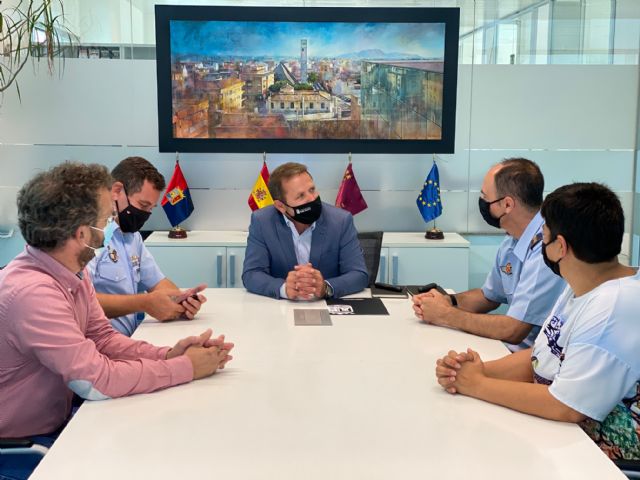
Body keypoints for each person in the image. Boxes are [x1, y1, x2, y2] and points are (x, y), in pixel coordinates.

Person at [0, 163, 233, 478]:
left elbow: (103, 339)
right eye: (104, 219)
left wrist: (168, 354)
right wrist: (186, 368)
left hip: (62, 423)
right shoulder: (32, 292)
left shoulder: (71, 270)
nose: (110, 226)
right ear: (82, 233)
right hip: (23, 450)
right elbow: (97, 380)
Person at [435, 182, 640, 461]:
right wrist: (473, 370)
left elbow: (566, 406)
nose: (539, 245)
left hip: (599, 454)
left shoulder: (614, 306)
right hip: (562, 433)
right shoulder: (582, 283)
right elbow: (543, 356)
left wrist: (477, 384)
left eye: (543, 237)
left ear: (561, 246)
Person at [413, 158, 566, 351]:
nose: (482, 203)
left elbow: (514, 330)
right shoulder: (512, 239)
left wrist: (445, 314)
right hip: (503, 348)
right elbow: (489, 296)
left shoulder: (546, 247)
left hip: (530, 363)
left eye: (485, 197)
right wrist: (448, 301)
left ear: (507, 205)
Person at [87, 156, 205, 337]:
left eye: (151, 208)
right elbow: (79, 300)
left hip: (130, 340)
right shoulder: (91, 235)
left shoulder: (132, 237)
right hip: (98, 347)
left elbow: (158, 283)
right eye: (143, 205)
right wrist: (144, 302)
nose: (146, 214)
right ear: (117, 191)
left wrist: (181, 300)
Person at [242, 162, 368, 300]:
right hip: (280, 310)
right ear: (280, 206)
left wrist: (325, 287)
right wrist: (284, 288)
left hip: (328, 308)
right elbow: (252, 274)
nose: (312, 198)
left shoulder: (341, 221)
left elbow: (359, 274)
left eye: (312, 189)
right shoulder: (262, 222)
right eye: (301, 196)